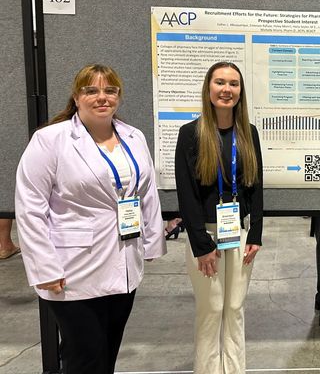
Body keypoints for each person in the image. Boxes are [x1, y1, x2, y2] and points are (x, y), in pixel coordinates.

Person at [14, 64, 166, 374]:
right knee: (84, 358)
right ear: (76, 96)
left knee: (106, 353)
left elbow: (146, 192)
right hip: (73, 270)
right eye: (91, 90)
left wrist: (152, 242)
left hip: (124, 264)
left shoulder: (132, 136)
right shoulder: (50, 140)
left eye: (110, 90)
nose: (102, 97)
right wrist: (44, 266)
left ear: (119, 96)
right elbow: (30, 206)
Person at [175, 61, 263, 374]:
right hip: (206, 236)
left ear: (240, 91)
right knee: (211, 309)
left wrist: (255, 235)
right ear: (209, 88)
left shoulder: (248, 133)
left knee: (235, 308)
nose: (226, 89)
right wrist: (200, 243)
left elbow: (256, 187)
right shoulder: (190, 134)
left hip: (239, 233)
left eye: (233, 84)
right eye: (220, 82)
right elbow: (187, 195)